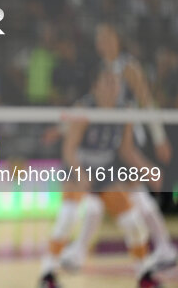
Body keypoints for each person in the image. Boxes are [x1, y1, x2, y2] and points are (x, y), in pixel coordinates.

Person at [39, 70, 161, 288]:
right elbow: (69, 149)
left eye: (115, 83)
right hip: (78, 165)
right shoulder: (84, 109)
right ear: (95, 86)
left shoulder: (125, 111)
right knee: (68, 216)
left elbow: (126, 149)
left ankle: (145, 275)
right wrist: (79, 173)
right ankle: (47, 274)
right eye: (106, 82)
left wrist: (147, 168)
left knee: (133, 222)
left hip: (104, 170)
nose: (111, 88)